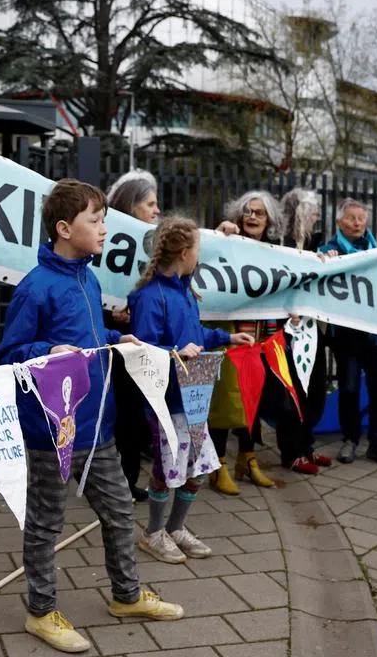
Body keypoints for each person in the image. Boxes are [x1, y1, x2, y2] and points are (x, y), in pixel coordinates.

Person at [0, 180, 183, 654]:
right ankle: (40, 613)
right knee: (45, 523)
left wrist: (118, 343)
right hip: (52, 432)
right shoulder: (35, 288)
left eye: (104, 219)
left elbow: (91, 337)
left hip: (99, 426)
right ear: (64, 228)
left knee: (120, 513)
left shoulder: (89, 277)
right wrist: (46, 351)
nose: (104, 229)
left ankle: (126, 596)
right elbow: (8, 356)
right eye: (95, 221)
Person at [128, 217, 253, 563]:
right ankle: (153, 534)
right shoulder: (149, 297)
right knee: (164, 471)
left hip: (193, 402)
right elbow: (143, 349)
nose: (200, 256)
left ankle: (175, 528)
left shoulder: (186, 292)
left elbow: (194, 336)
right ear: (184, 254)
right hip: (165, 403)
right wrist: (174, 353)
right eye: (198, 250)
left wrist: (226, 337)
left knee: (195, 468)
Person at [207, 191, 283, 494]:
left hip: (262, 339)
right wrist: (220, 235)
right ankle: (219, 465)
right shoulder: (226, 241)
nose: (252, 217)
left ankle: (247, 459)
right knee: (227, 401)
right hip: (231, 336)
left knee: (253, 401)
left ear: (269, 220)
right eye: (248, 212)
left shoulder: (278, 253)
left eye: (259, 213)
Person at [319, 199, 377, 468]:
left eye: (361, 218)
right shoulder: (327, 251)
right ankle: (350, 439)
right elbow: (319, 285)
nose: (357, 223)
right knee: (350, 388)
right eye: (352, 218)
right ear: (338, 223)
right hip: (348, 334)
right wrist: (325, 262)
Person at [105, 169, 161, 503]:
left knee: (133, 416)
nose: (157, 210)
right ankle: (108, 480)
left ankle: (127, 481)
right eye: (150, 204)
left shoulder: (155, 240)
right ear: (131, 206)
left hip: (141, 340)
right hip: (114, 342)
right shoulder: (105, 240)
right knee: (118, 415)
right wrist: (110, 314)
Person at [277, 188, 331, 474]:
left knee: (314, 388)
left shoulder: (313, 244)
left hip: (312, 329)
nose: (317, 215)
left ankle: (306, 446)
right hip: (287, 332)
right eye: (312, 209)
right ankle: (291, 452)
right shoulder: (279, 243)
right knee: (293, 391)